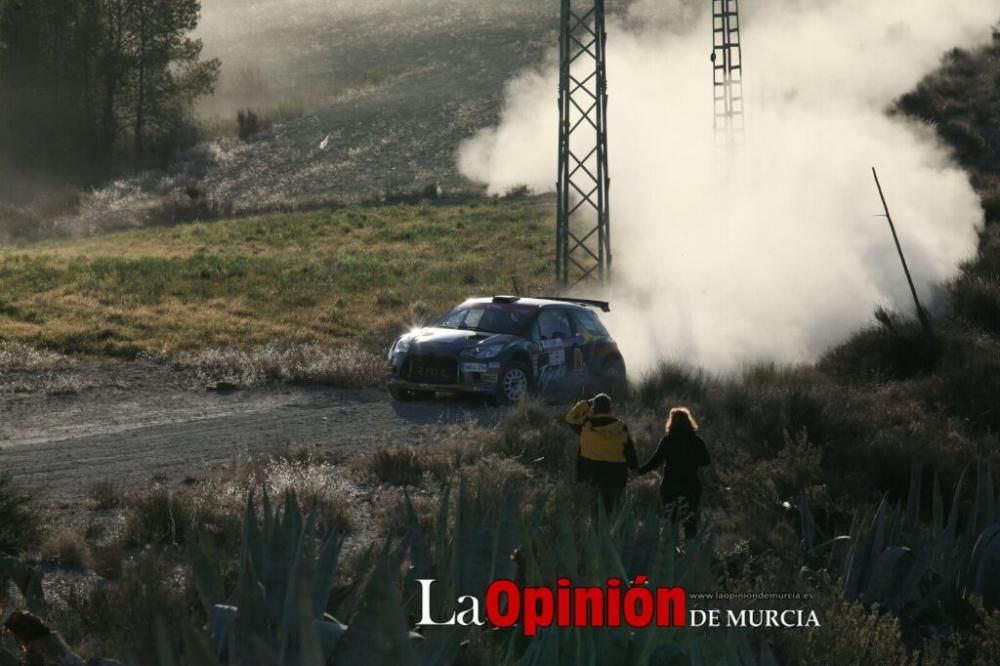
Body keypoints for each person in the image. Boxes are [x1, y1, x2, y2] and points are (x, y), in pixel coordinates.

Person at [637, 407, 710, 539]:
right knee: (690, 521)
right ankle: (691, 549)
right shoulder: (697, 440)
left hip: (670, 485)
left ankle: (671, 551)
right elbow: (706, 461)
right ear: (689, 421)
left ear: (671, 421)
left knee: (670, 520)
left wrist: (638, 472)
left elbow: (654, 462)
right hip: (691, 484)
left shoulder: (668, 440)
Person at [565, 393, 638, 514]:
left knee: (596, 511)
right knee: (615, 511)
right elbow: (630, 450)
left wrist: (587, 403)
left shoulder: (585, 425)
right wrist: (634, 468)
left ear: (593, 409)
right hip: (616, 475)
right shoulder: (620, 427)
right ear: (610, 409)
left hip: (592, 475)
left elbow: (570, 417)